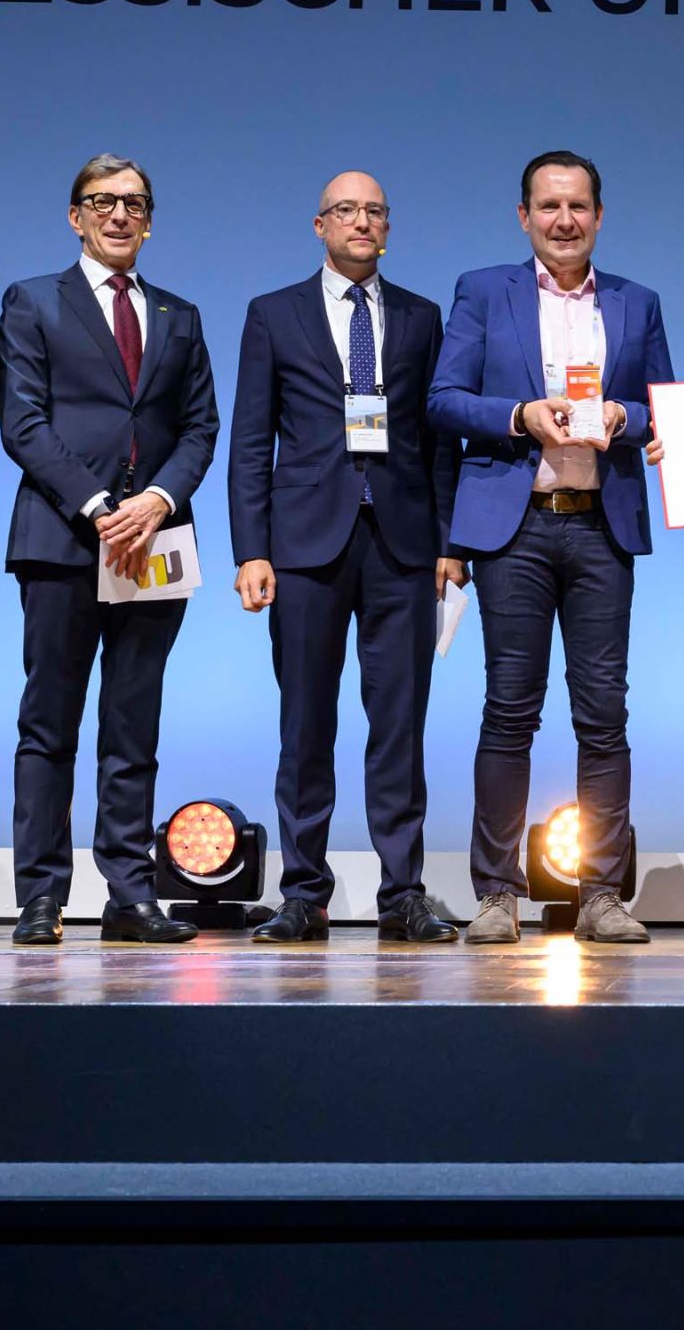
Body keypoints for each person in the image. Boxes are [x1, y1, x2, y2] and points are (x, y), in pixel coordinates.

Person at [428, 151, 673, 945]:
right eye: (548, 206)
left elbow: (662, 406)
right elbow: (443, 399)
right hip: (517, 527)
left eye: (577, 207)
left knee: (604, 716)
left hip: (602, 525)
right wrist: (518, 416)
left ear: (600, 216)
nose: (563, 220)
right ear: (524, 215)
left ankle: (600, 893)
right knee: (510, 712)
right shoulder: (483, 291)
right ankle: (497, 893)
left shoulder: (638, 303)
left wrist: (626, 421)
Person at [229, 172, 467, 946]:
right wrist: (251, 550)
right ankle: (305, 894)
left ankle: (403, 894)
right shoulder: (273, 314)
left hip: (402, 547)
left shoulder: (422, 317)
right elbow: (250, 442)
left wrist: (447, 544)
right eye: (346, 211)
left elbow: (440, 443)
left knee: (399, 725)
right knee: (305, 724)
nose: (361, 222)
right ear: (319, 225)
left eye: (375, 211)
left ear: (387, 227)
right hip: (303, 548)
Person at [0, 156, 217, 945]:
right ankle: (42, 898)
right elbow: (22, 423)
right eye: (103, 202)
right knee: (49, 724)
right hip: (62, 540)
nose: (120, 215)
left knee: (134, 725)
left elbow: (200, 429)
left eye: (135, 204)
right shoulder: (31, 302)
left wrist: (156, 501)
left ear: (150, 219)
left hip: (155, 544)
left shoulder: (181, 314)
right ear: (75, 216)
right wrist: (98, 507)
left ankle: (130, 892)